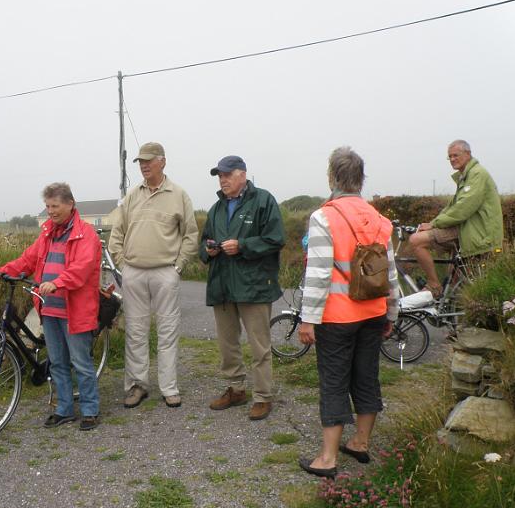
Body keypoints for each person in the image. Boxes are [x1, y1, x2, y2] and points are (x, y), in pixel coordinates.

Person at [298, 147, 400, 478]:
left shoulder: (324, 217)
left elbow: (318, 273)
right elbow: (391, 272)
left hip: (337, 317)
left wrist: (308, 319)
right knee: (366, 376)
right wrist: (392, 313)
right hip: (373, 313)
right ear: (361, 179)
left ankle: (327, 459)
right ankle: (360, 442)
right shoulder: (379, 219)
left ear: (332, 177)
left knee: (334, 381)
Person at [0, 183, 102, 430]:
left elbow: (81, 269)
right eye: (47, 206)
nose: (50, 211)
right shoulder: (48, 233)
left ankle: (90, 410)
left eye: (55, 206)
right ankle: (64, 409)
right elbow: (27, 260)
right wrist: (1, 270)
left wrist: (57, 282)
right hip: (49, 309)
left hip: (74, 310)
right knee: (57, 362)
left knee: (81, 362)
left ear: (70, 204)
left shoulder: (86, 235)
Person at [108, 142, 199, 409]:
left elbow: (190, 235)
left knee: (167, 331)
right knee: (135, 331)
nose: (144, 165)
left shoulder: (178, 194)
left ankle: (169, 388)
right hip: (134, 272)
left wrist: (178, 267)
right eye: (140, 162)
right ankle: (137, 386)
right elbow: (116, 235)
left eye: (149, 160)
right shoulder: (132, 196)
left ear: (163, 162)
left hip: (165, 271)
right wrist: (123, 265)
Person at [199, 156, 286, 421]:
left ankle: (262, 396)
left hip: (254, 286)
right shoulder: (215, 209)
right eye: (219, 176)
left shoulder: (264, 200)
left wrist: (243, 246)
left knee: (259, 345)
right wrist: (208, 251)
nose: (222, 180)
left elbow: (276, 239)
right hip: (222, 285)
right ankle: (236, 389)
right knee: (227, 345)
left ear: (243, 175)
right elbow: (203, 244)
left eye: (227, 174)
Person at [410, 140, 503, 296]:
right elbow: (453, 206)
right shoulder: (466, 176)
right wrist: (433, 223)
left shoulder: (477, 174)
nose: (452, 159)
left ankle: (433, 284)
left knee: (416, 241)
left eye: (456, 155)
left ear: (468, 154)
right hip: (468, 230)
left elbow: (463, 209)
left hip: (476, 233)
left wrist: (434, 224)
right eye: (450, 157)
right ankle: (449, 310)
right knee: (454, 283)